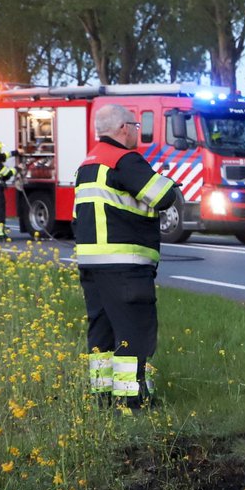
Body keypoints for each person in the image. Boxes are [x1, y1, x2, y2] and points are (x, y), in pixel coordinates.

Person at [72, 103, 179, 409]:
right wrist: (168, 182)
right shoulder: (123, 159)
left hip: (92, 264)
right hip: (125, 264)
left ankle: (103, 398)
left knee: (102, 334)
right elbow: (163, 196)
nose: (136, 132)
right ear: (122, 129)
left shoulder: (87, 164)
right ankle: (132, 400)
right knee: (134, 332)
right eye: (134, 126)